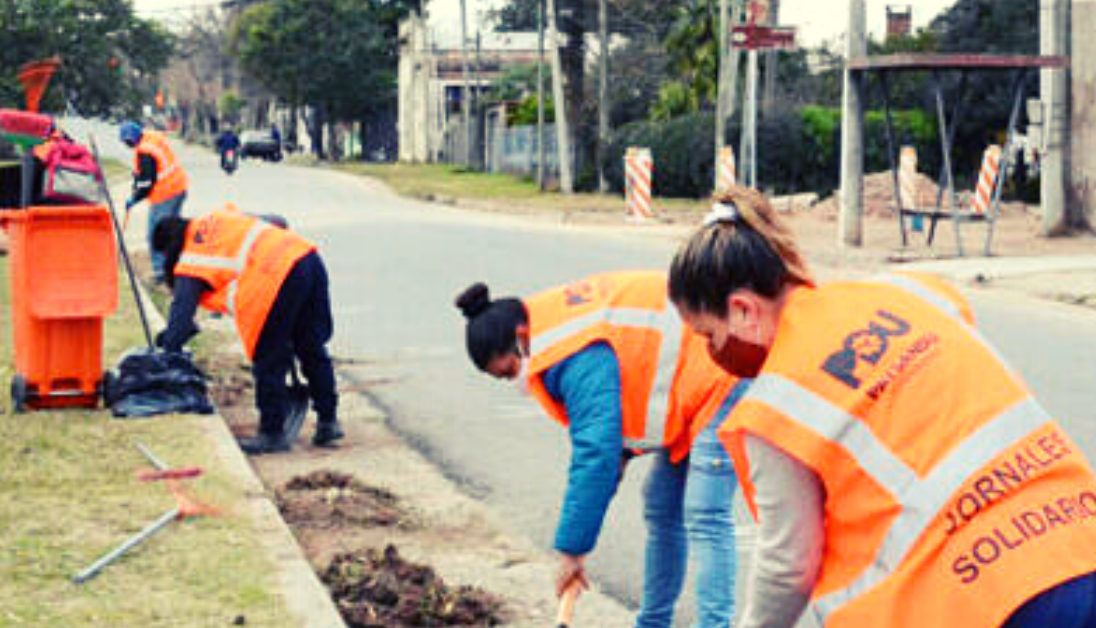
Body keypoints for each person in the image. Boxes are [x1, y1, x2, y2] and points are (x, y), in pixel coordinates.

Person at [667, 186, 1096, 628]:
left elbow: (786, 568)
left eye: (708, 336)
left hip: (988, 599)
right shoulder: (909, 291)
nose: (712, 353)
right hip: (1080, 542)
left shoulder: (775, 407)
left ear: (743, 310)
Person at [454, 272, 743, 628]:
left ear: (520, 337)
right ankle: (653, 623)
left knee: (705, 512)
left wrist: (571, 551)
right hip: (694, 386)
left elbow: (595, 454)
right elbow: (613, 419)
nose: (517, 381)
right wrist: (619, 458)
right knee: (662, 504)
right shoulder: (550, 326)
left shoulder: (569, 351)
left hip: (724, 370)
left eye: (510, 370)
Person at [152, 205, 343, 453]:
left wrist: (167, 351)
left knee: (269, 356)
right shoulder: (218, 217)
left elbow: (180, 315)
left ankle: (272, 433)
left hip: (274, 275)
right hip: (305, 256)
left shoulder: (191, 257)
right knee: (311, 346)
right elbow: (277, 217)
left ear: (169, 247)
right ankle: (328, 421)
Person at [119, 121, 189, 282]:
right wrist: (137, 181)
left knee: (155, 234)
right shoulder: (150, 139)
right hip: (179, 187)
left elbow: (147, 183)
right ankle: (176, 266)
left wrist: (134, 199)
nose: (128, 145)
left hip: (165, 194)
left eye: (128, 141)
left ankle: (161, 272)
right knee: (172, 233)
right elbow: (145, 174)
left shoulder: (145, 152)